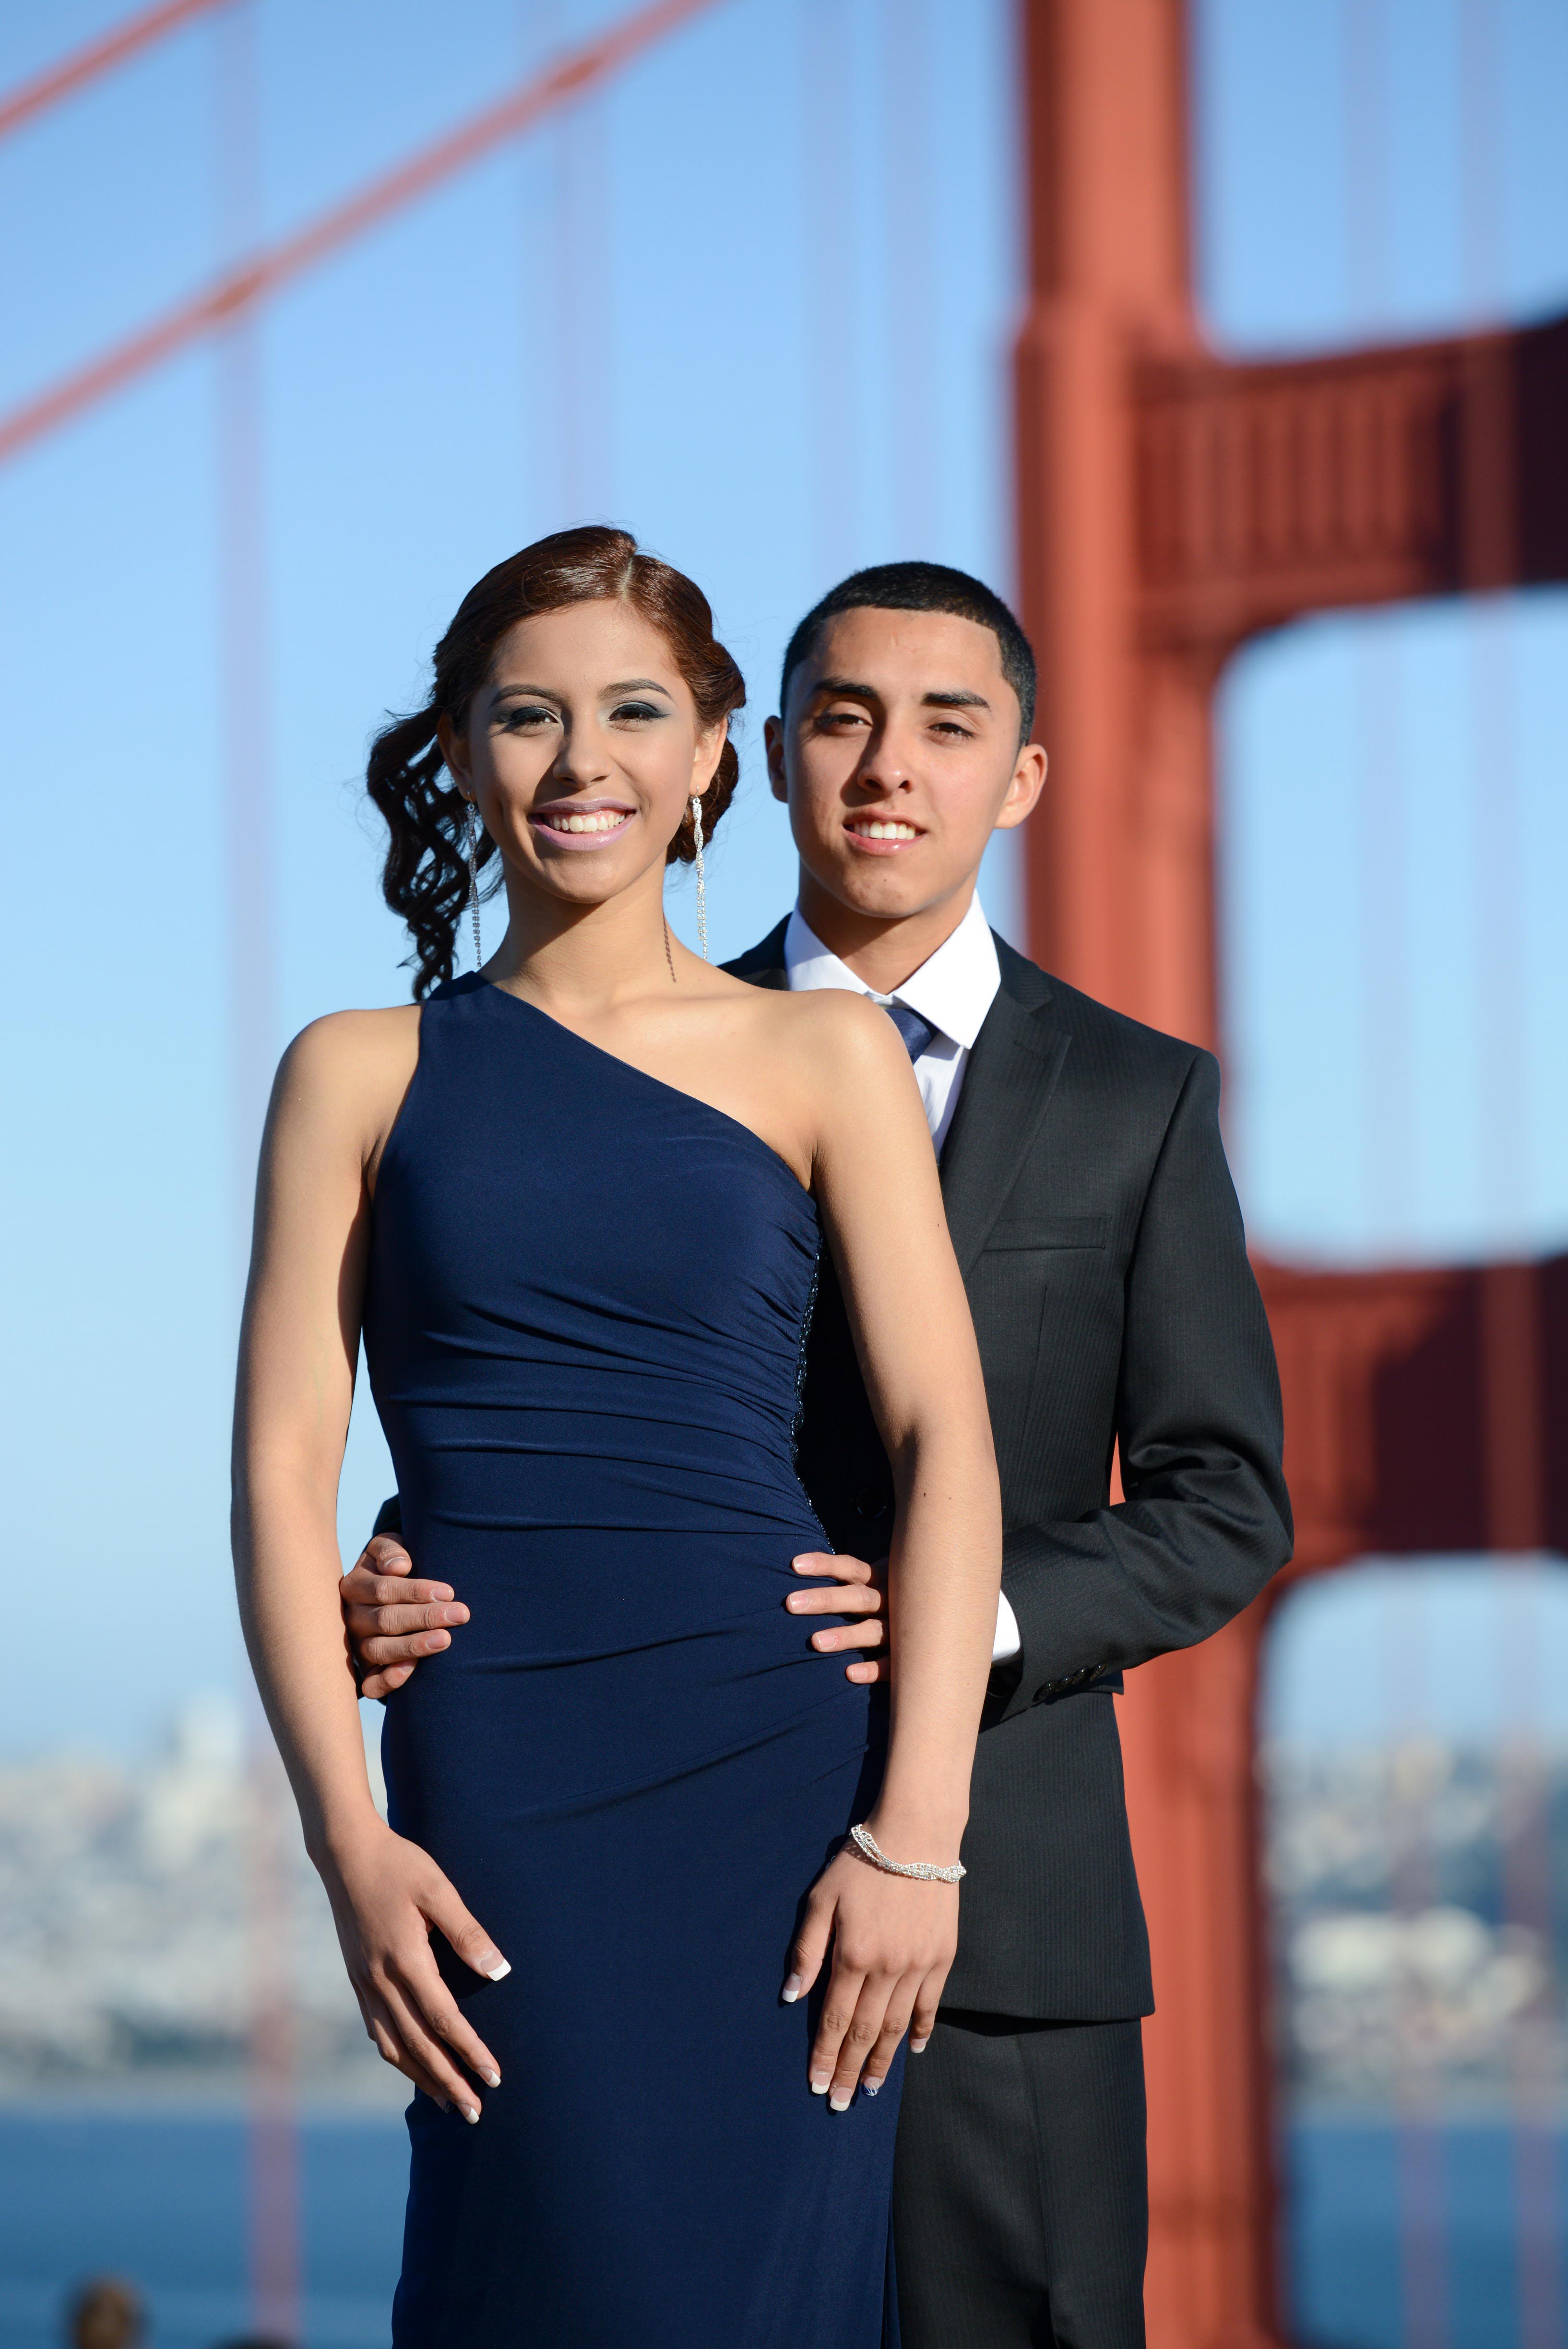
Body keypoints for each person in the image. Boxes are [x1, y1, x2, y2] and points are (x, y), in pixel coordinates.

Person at [344, 561, 1293, 2348]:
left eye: (952, 726)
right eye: (844, 720)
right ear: (763, 757)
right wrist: (397, 1571)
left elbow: (1223, 1503)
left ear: (1023, 776)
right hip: (629, 1860)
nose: (889, 768)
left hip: (994, 1907)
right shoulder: (546, 1066)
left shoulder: (1132, 1096)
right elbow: (558, 1369)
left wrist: (950, 1631)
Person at [231, 528, 1001, 2348]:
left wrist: (916, 1841)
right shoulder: (356, 1066)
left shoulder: (828, 1055)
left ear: (712, 751)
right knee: (534, 2254)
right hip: (498, 1766)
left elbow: (942, 1447)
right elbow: (280, 1467)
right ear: (461, 750)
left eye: (633, 712)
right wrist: (348, 1844)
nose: (582, 764)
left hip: (778, 1771)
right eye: (527, 717)